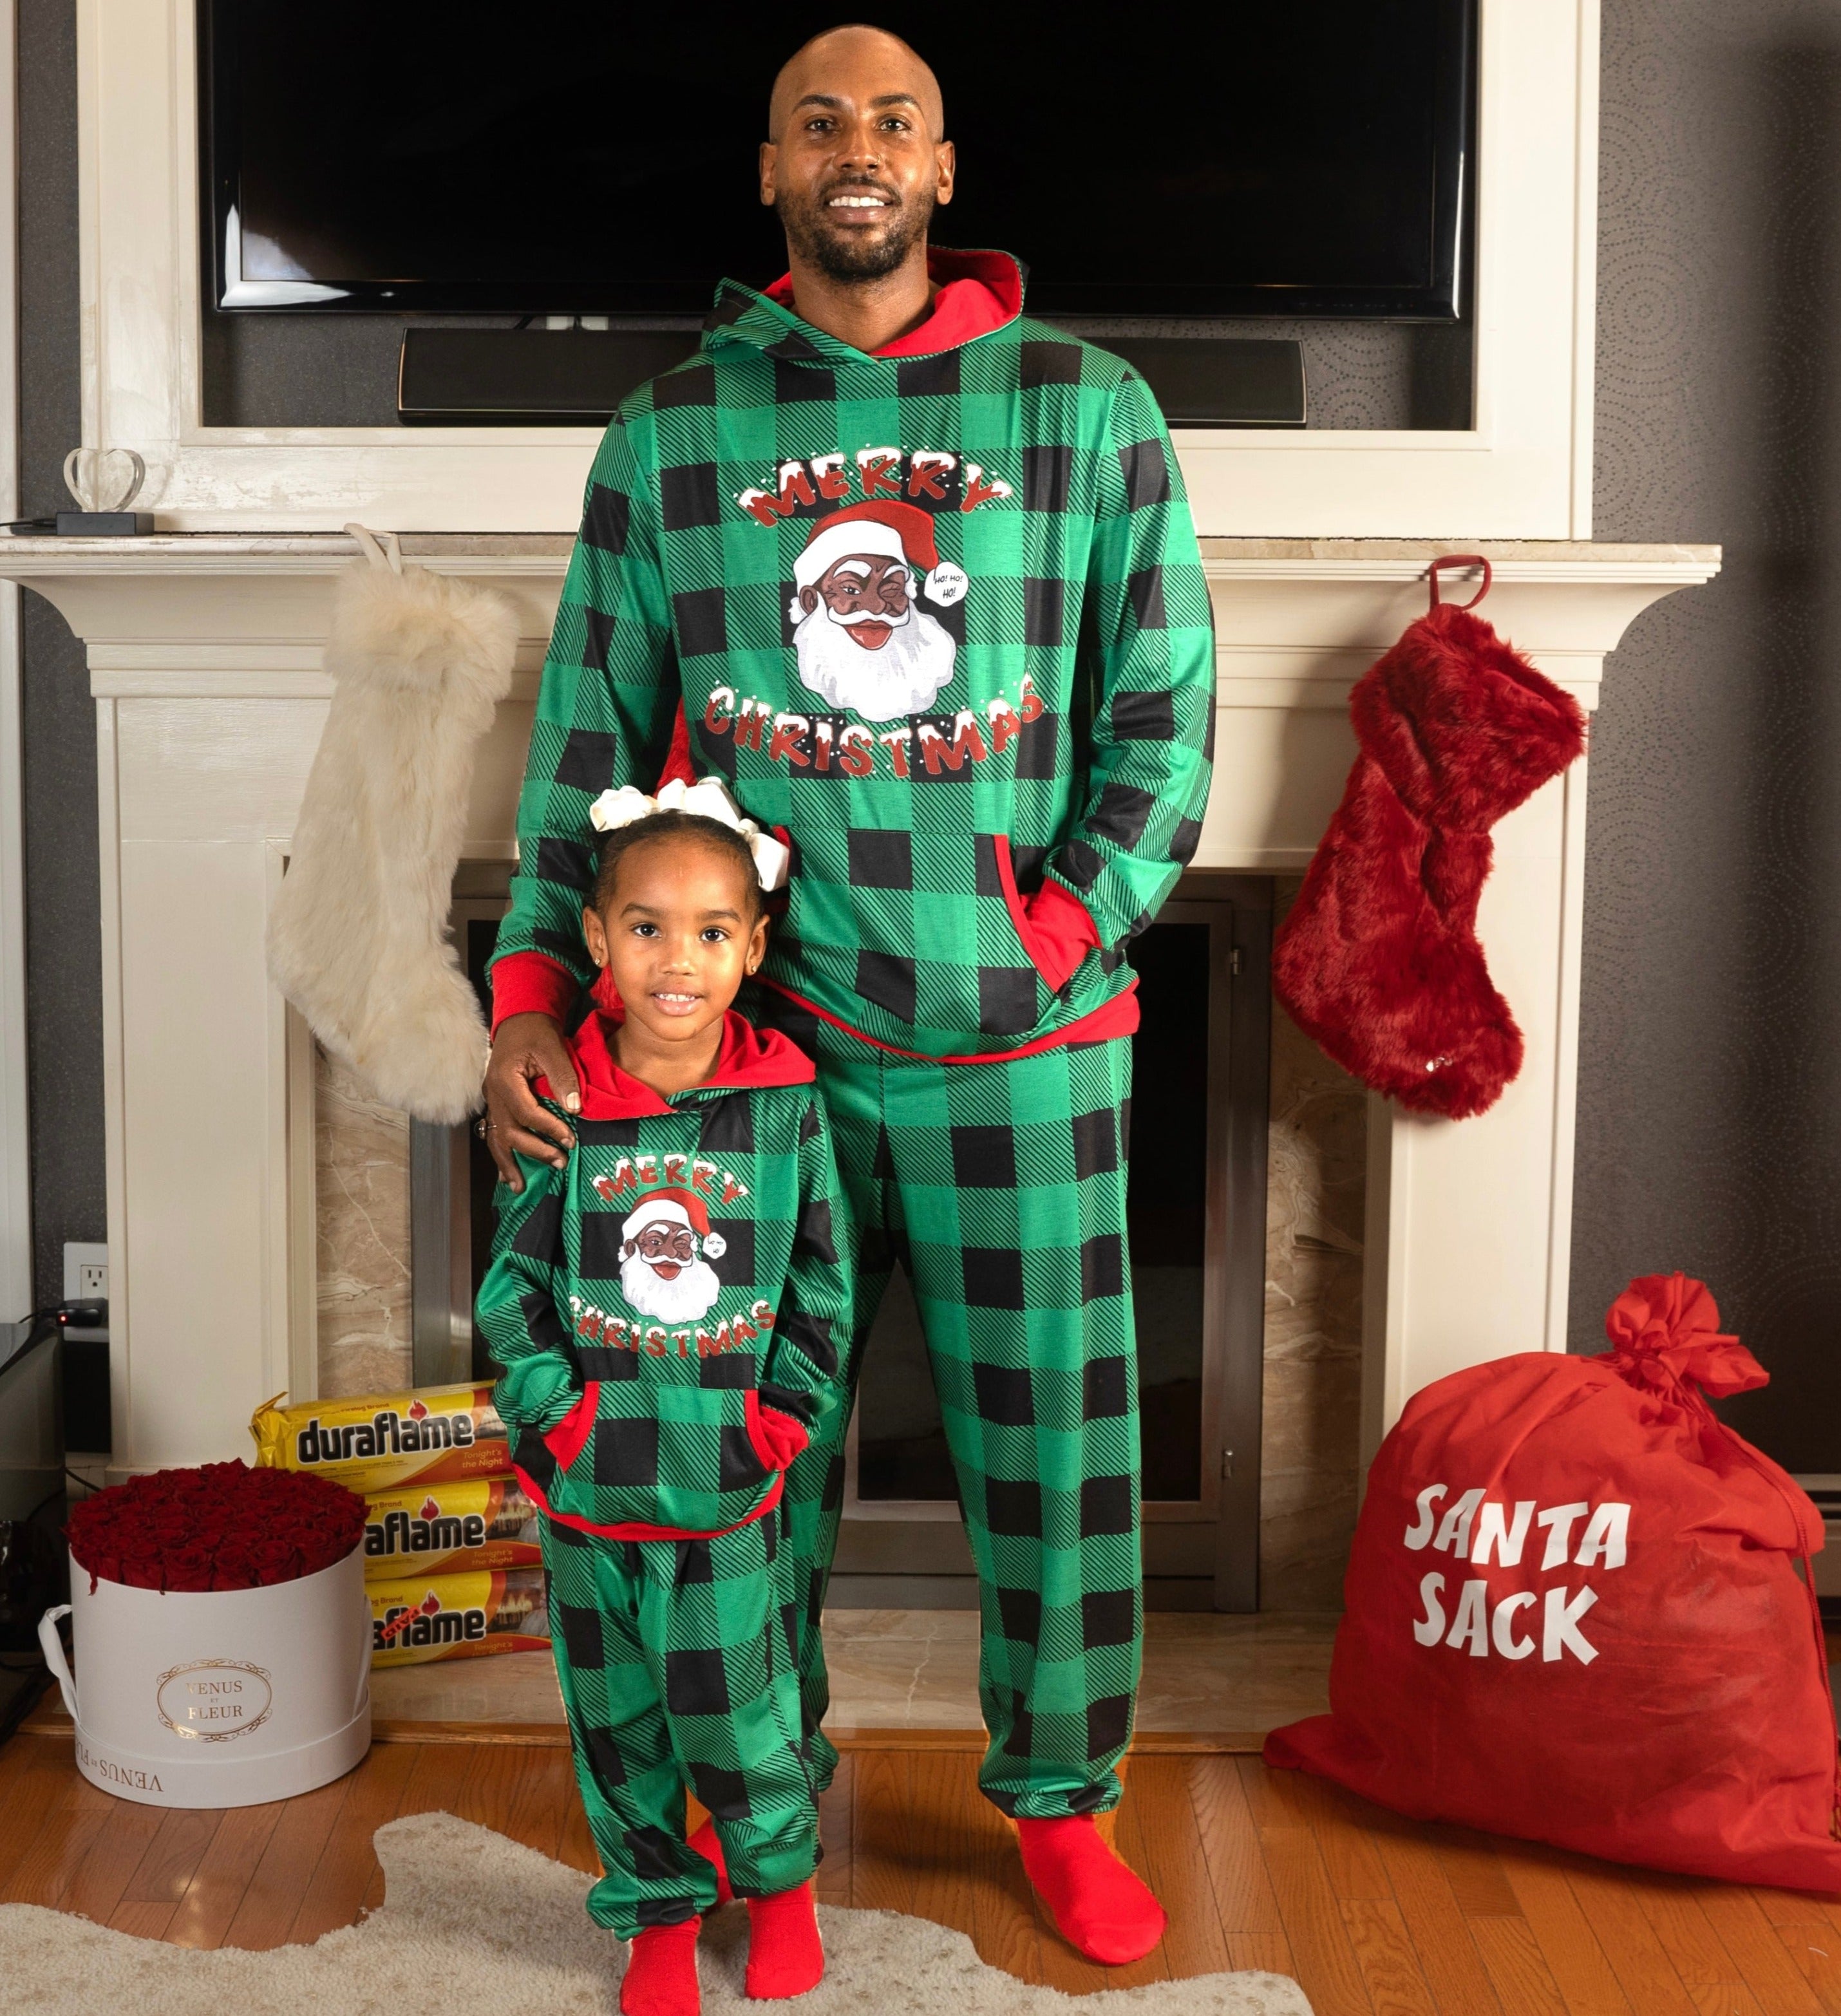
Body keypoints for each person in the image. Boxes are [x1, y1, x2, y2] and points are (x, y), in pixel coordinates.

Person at [484, 23, 1214, 1966]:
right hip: (748, 1071)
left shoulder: (1088, 406)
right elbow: (585, 738)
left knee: (1056, 1463)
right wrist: (538, 995)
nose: (856, 149)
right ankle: (760, 1810)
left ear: (945, 169)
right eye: (819, 123)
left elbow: (1161, 715)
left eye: (891, 120)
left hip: (1026, 1054)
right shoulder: (667, 432)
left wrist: (1055, 934)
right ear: (771, 173)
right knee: (746, 1472)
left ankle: (1060, 1801)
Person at [478, 799, 853, 2016]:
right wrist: (562, 1425)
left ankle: (781, 1892)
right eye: (646, 928)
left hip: (730, 1481)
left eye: (708, 932)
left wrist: (778, 1425)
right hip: (589, 1493)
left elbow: (820, 1287)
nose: (674, 960)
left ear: (752, 948)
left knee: (746, 1714)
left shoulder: (786, 1110)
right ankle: (654, 1914)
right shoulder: (562, 1109)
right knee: (618, 1721)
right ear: (596, 939)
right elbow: (511, 1293)